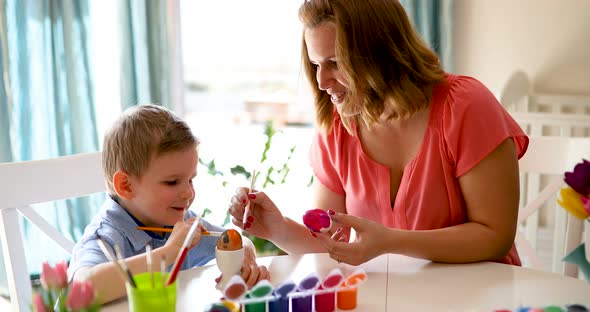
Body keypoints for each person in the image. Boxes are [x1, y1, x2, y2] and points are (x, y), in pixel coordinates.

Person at [229, 0, 528, 267]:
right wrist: (276, 228)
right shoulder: (337, 128)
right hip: (391, 297)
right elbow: (329, 244)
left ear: (381, 52)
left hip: (483, 292)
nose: (321, 81)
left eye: (334, 63)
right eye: (315, 64)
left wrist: (390, 242)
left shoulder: (465, 106)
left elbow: (495, 236)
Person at [68, 104, 269, 304]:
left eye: (191, 179)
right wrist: (170, 252)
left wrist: (245, 255)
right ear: (126, 186)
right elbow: (83, 289)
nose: (189, 193)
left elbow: (233, 240)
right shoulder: (106, 236)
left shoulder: (179, 221)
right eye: (172, 182)